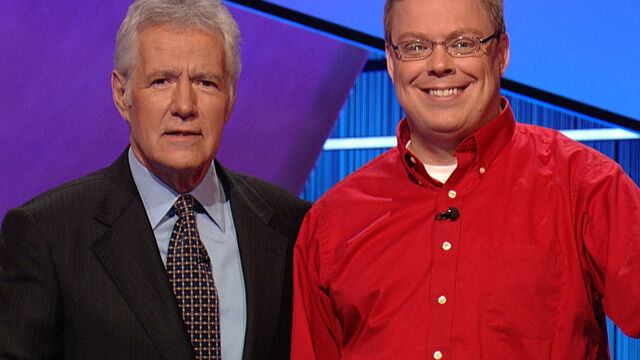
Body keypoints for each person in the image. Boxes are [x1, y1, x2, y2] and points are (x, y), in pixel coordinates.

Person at [291, 0, 640, 358]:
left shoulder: (584, 187)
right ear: (391, 62)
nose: (439, 65)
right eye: (416, 47)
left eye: (463, 43)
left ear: (501, 53)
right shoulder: (330, 225)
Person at [0, 0, 310, 359]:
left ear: (231, 95)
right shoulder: (47, 234)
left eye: (205, 82)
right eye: (161, 81)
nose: (184, 105)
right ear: (122, 94)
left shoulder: (290, 224)